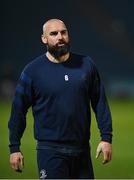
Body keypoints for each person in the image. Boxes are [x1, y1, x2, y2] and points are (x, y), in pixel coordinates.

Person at [8, 18, 112, 179]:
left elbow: (100, 103)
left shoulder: (86, 64)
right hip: (50, 152)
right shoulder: (32, 71)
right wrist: (14, 148)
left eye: (63, 32)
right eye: (54, 33)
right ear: (44, 39)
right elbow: (18, 111)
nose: (60, 37)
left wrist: (106, 138)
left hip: (82, 151)